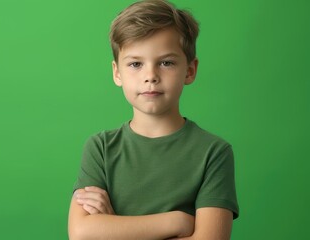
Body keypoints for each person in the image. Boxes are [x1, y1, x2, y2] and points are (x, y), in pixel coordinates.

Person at [68, 0, 239, 239]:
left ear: (189, 70)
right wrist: (177, 221)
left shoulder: (214, 153)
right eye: (136, 64)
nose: (150, 76)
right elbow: (81, 233)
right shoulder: (101, 148)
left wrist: (114, 227)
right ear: (117, 73)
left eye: (166, 63)